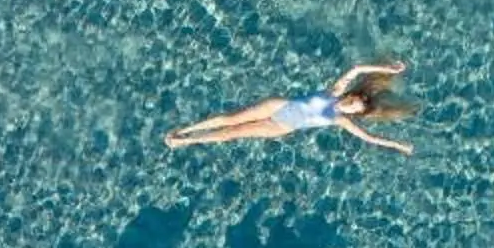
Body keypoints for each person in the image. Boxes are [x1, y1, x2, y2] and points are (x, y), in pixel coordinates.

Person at [165, 61, 414, 154]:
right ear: (350, 95)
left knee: (231, 134)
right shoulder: (335, 91)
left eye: (353, 109)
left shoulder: (340, 120)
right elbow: (357, 69)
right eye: (352, 101)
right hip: (278, 106)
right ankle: (184, 130)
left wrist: (397, 145)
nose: (348, 106)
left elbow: (370, 138)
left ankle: (184, 142)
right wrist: (388, 69)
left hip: (282, 126)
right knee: (230, 118)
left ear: (354, 114)